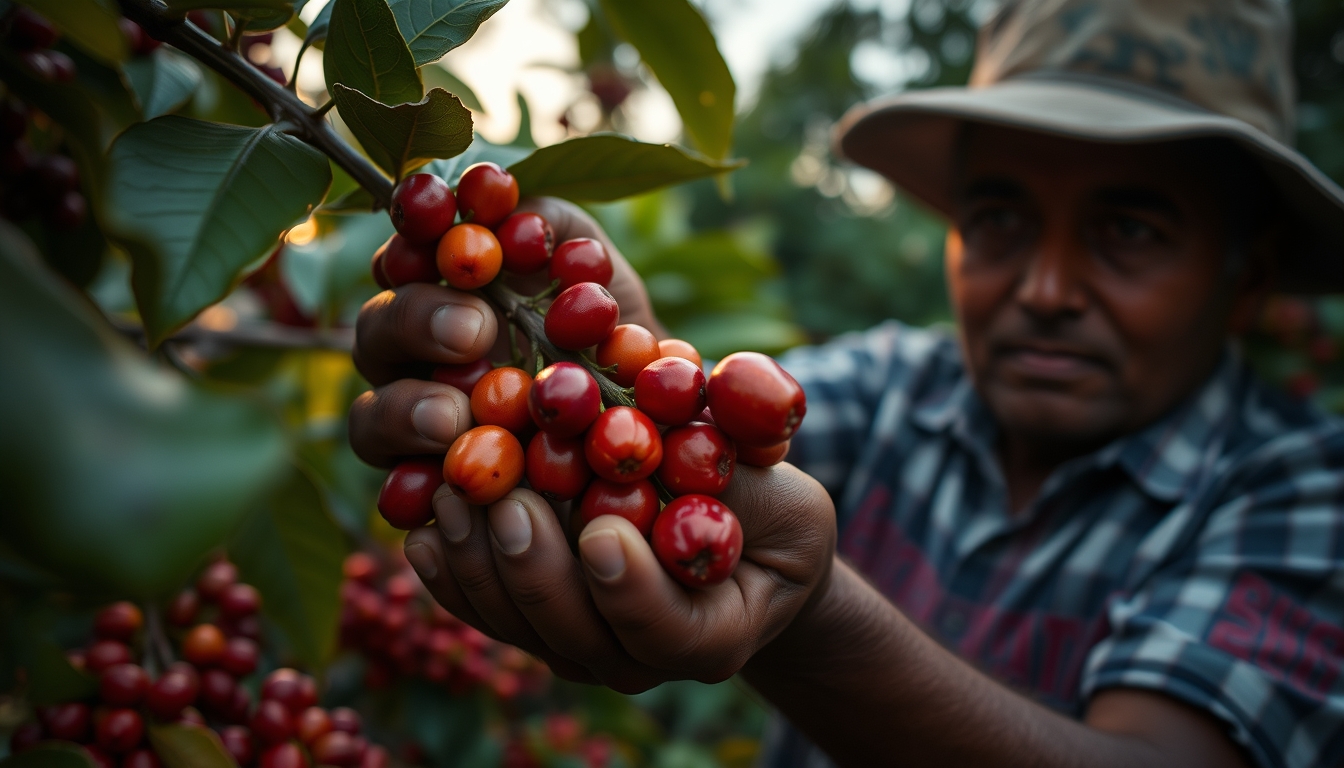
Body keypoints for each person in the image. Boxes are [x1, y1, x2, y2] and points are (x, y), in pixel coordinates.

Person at [347, 0, 1344, 765]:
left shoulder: (1304, 494)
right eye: (998, 217)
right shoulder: (892, 386)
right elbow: (685, 436)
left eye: (1129, 231)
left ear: (1245, 276)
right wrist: (605, 347)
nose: (1045, 290)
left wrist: (808, 617)